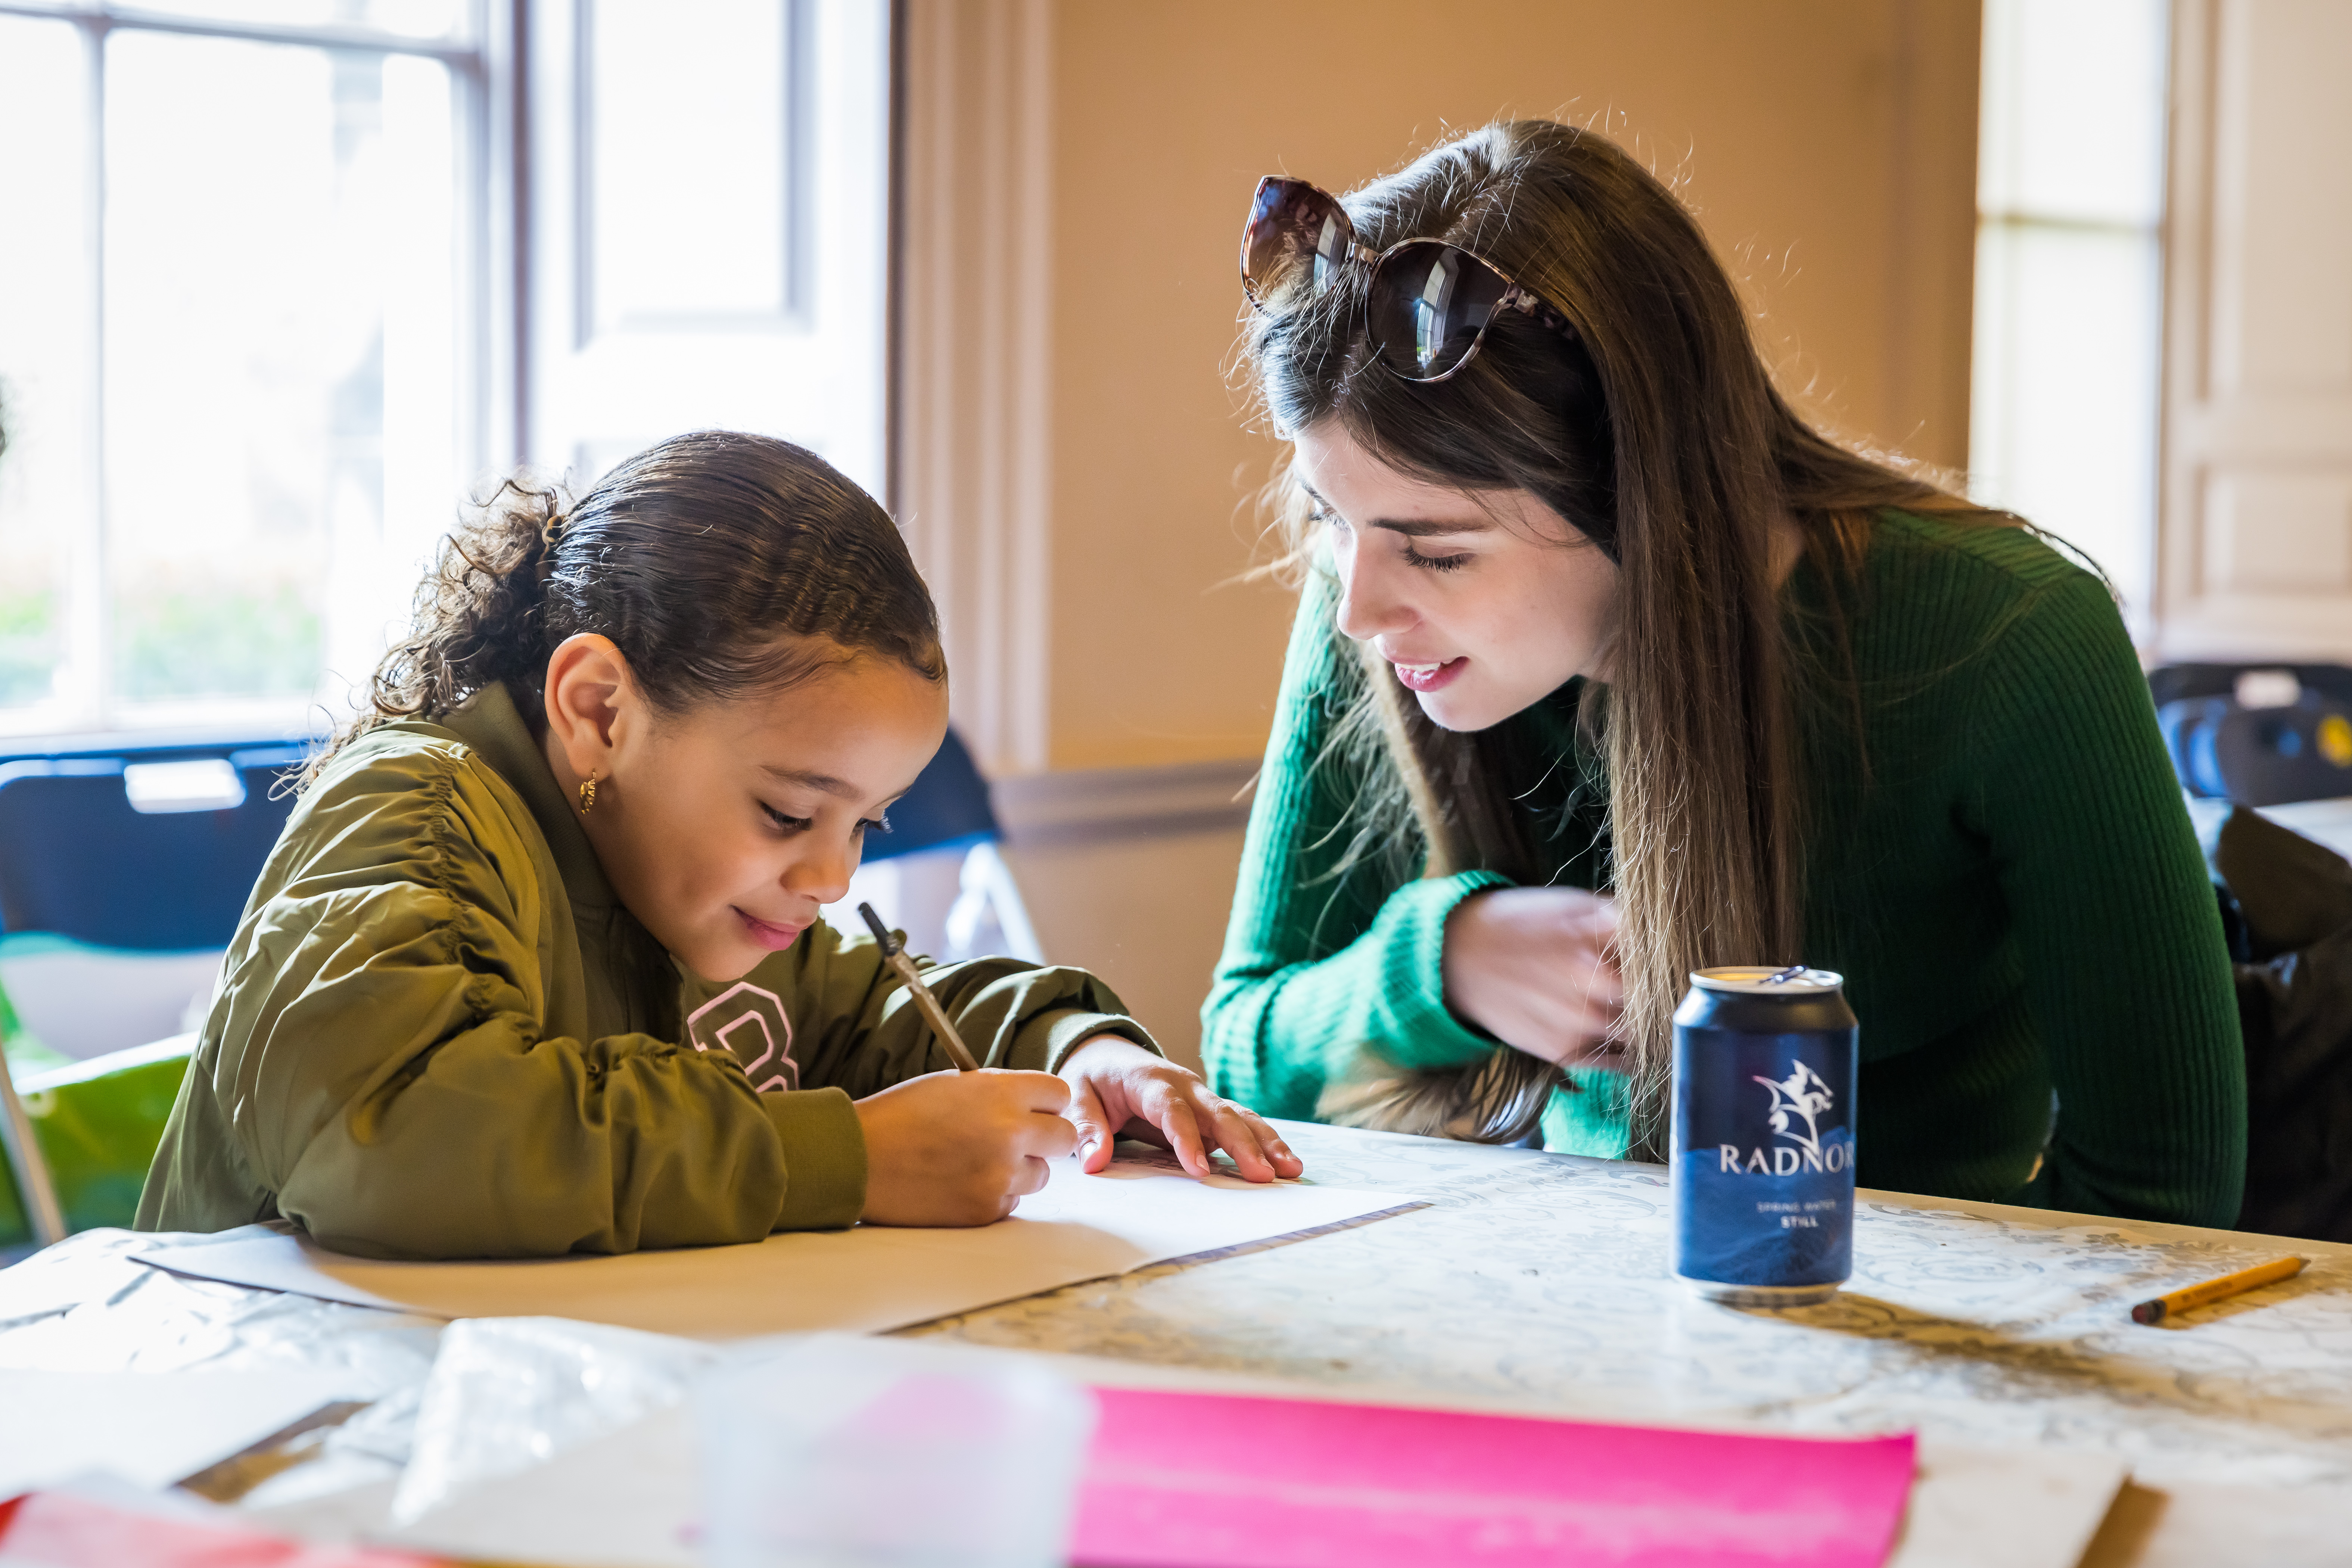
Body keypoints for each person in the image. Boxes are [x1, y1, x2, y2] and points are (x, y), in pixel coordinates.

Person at [1201, 121, 2244, 1226]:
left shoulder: (2011, 632)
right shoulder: (1372, 592)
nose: (1358, 608)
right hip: (1558, 1301)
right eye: (1327, 519)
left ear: (1638, 494)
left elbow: (2162, 1194)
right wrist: (1439, 967)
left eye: (1441, 551)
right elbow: (1238, 1054)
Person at [140, 431, 1298, 1259]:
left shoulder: (685, 885)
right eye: (791, 814)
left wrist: (1075, 1050)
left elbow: (861, 1016)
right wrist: (841, 1159)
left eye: (864, 825)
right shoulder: (413, 812)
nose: (832, 878)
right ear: (599, 711)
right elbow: (393, 1135)